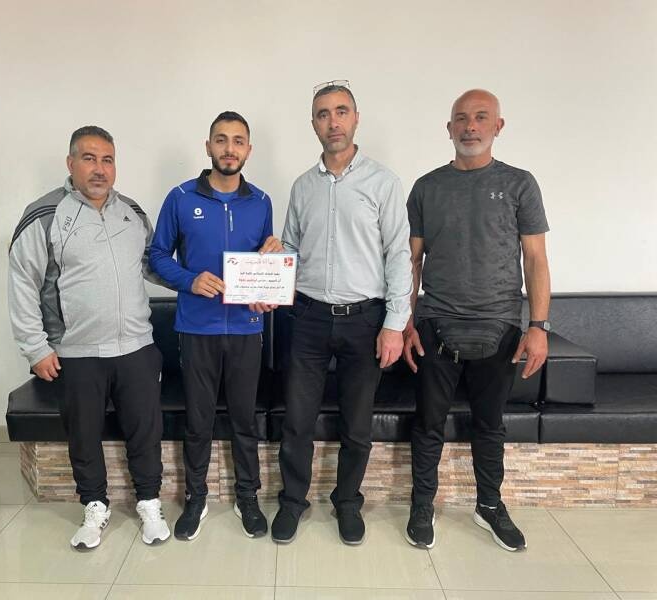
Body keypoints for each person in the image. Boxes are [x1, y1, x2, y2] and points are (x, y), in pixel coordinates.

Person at [8, 125, 170, 550]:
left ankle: (149, 503)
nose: (100, 169)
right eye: (89, 158)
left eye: (107, 160)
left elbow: (156, 267)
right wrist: (35, 347)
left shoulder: (132, 213)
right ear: (71, 163)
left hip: (137, 346)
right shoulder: (45, 215)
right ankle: (94, 506)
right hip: (76, 352)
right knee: (83, 435)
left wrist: (210, 278)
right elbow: (22, 282)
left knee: (145, 430)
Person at [403, 89, 551, 552]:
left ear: (498, 126)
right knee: (428, 424)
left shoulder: (520, 183)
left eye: (481, 117)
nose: (470, 126)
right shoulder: (426, 187)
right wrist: (405, 322)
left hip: (500, 326)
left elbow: (535, 258)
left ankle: (489, 505)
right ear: (449, 128)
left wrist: (538, 327)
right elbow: (411, 262)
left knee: (490, 425)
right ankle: (421, 505)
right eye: (461, 119)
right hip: (435, 325)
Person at [273, 81, 413, 545]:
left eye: (340, 111)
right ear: (313, 124)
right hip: (308, 318)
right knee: (297, 420)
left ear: (355, 119)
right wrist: (270, 267)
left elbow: (399, 255)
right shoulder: (302, 186)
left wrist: (394, 324)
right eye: (322, 114)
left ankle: (348, 502)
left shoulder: (383, 183)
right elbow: (291, 249)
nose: (332, 121)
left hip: (365, 320)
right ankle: (292, 501)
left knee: (356, 425)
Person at [150, 111, 282, 540]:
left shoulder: (261, 202)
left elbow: (265, 263)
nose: (229, 148)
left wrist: (269, 277)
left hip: (246, 329)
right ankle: (196, 497)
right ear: (208, 147)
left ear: (248, 150)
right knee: (199, 420)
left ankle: (248, 496)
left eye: (238, 141)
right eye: (221, 140)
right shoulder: (180, 198)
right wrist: (189, 280)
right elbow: (157, 256)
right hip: (197, 329)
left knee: (244, 419)